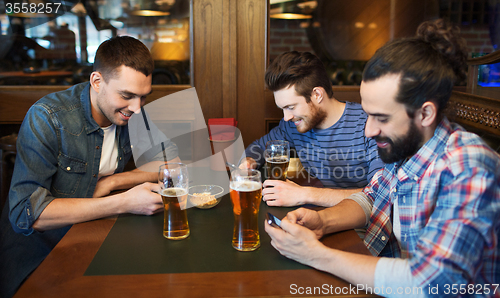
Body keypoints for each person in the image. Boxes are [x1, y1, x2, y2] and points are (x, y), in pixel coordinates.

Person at [265, 19, 500, 296]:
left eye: (381, 118)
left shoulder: (468, 166)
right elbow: (371, 197)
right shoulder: (407, 148)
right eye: (368, 113)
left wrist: (315, 254)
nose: (368, 130)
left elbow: (432, 283)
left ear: (425, 114)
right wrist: (323, 222)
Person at [0, 36, 179, 298]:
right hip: (39, 258)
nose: (137, 108)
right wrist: (124, 202)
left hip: (92, 244)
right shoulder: (48, 117)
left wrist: (113, 182)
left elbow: (171, 162)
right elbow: (27, 213)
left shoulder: (132, 112)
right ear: (97, 82)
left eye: (143, 97)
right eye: (127, 95)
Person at [240, 51, 384, 207]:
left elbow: (379, 194)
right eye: (282, 109)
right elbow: (259, 147)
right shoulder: (293, 125)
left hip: (365, 225)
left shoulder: (370, 125)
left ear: (317, 94)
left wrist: (304, 194)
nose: (286, 117)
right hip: (325, 216)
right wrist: (248, 162)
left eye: (290, 107)